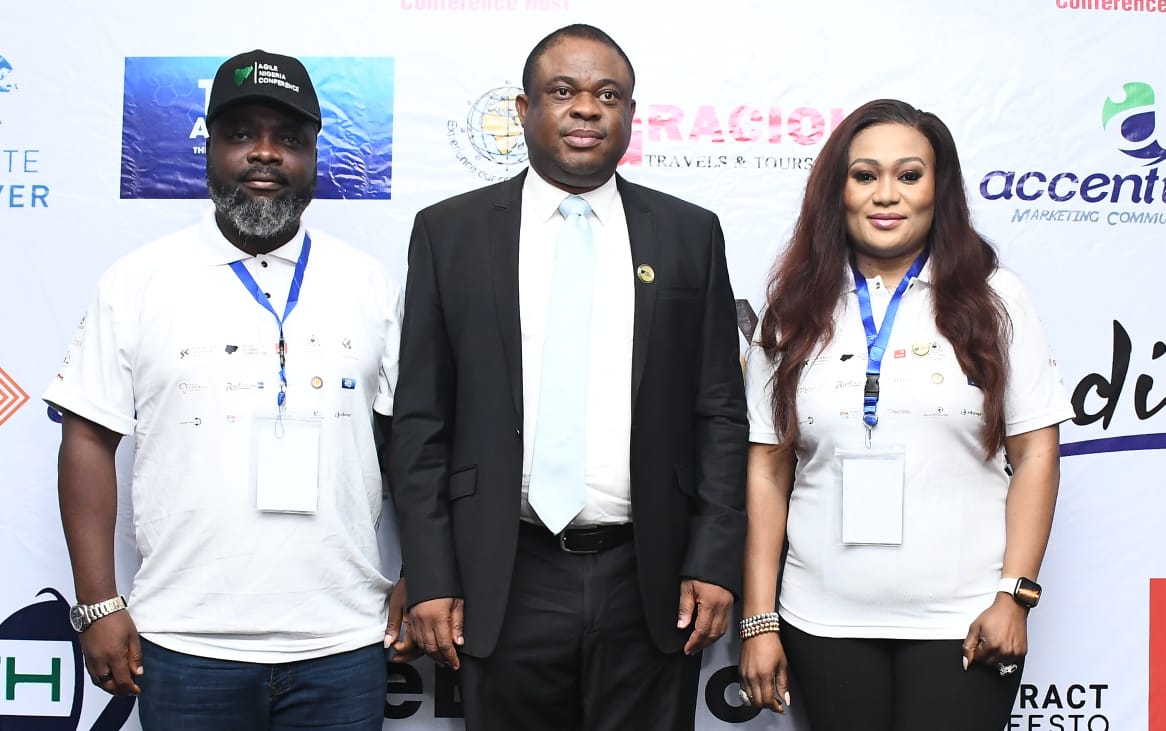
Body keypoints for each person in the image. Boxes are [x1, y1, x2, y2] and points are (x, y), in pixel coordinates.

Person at [390, 24, 747, 731]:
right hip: (505, 570)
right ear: (523, 110)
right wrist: (430, 573)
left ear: (631, 116)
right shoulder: (449, 232)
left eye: (607, 94)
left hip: (649, 574)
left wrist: (713, 559)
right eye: (563, 91)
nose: (587, 108)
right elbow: (421, 420)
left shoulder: (688, 233)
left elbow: (720, 413)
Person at [45, 49, 415, 730]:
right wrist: (97, 602)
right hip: (184, 643)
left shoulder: (371, 286)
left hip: (341, 642)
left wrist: (421, 574)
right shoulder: (137, 282)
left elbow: (412, 443)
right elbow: (88, 437)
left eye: (290, 139)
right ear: (209, 144)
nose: (265, 155)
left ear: (314, 154)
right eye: (242, 134)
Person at [738, 99, 1073, 730]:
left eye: (909, 175)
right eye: (864, 175)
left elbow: (1035, 454)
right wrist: (759, 619)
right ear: (836, 190)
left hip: (966, 620)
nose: (885, 195)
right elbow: (766, 469)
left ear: (938, 190)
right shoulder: (792, 308)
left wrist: (1015, 596)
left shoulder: (996, 299)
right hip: (822, 620)